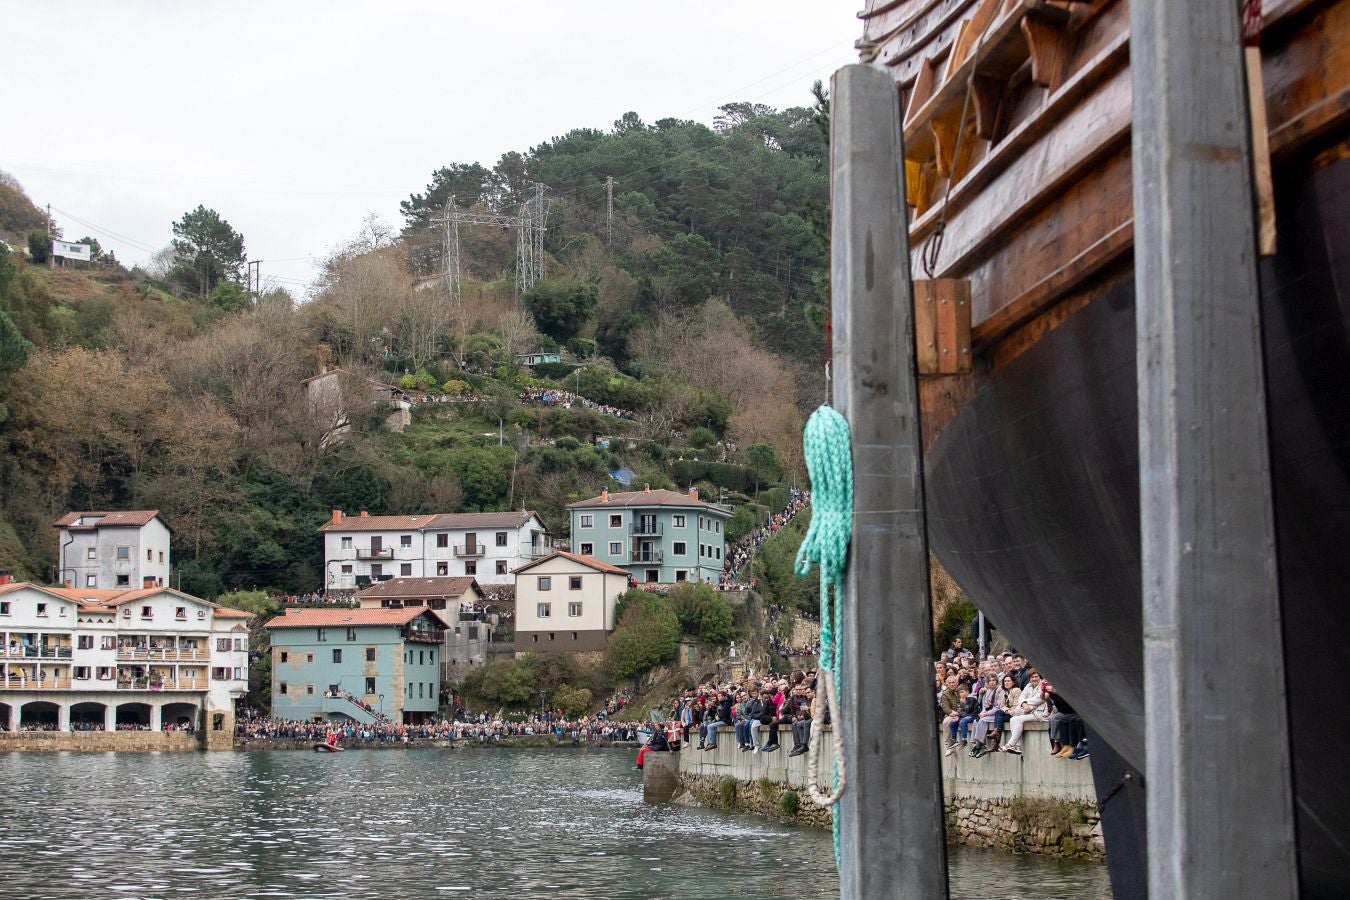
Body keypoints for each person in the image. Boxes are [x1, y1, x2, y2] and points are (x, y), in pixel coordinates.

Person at [1002, 669, 1050, 754]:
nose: (1034, 679)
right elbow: (1021, 697)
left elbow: (1039, 699)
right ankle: (1017, 746)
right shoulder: (1028, 686)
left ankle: (1010, 744)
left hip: (1039, 713)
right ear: (1029, 678)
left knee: (1017, 719)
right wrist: (1024, 704)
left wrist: (1026, 702)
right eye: (1032, 677)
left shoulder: (1043, 685)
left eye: (1036, 677)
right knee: (1013, 719)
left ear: (1040, 677)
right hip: (1027, 711)